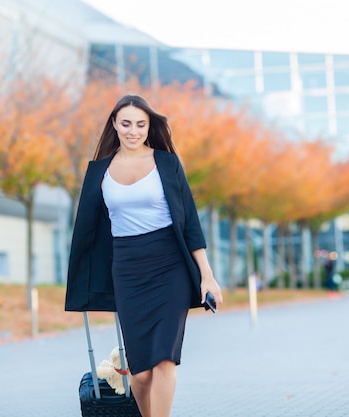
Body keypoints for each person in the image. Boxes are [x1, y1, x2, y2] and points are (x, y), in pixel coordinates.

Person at [65, 94, 223, 417]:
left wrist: (207, 275)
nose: (133, 131)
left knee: (165, 361)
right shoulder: (100, 172)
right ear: (114, 125)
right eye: (126, 124)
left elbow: (190, 221)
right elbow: (88, 230)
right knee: (139, 374)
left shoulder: (166, 163)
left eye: (141, 124)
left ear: (149, 126)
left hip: (170, 266)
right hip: (127, 269)